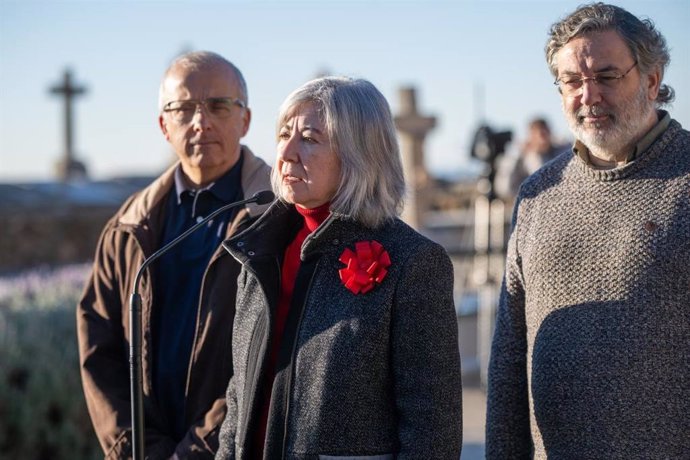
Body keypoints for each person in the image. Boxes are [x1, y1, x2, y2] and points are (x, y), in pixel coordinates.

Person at [215, 76, 463, 459]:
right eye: (284, 134)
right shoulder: (258, 251)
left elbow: (432, 430)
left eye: (310, 139)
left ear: (359, 152)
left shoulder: (414, 263)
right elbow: (239, 391)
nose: (287, 153)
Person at [486, 3, 690, 458]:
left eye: (607, 76)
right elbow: (509, 356)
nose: (589, 95)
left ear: (652, 80)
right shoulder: (539, 194)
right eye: (573, 81)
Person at [77, 51, 271, 459]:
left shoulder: (274, 219)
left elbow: (273, 354)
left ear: (246, 120)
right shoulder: (128, 228)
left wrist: (195, 452)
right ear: (164, 126)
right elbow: (101, 349)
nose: (201, 122)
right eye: (183, 109)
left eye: (219, 105)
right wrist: (137, 448)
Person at [495, 117, 568, 200]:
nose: (541, 140)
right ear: (530, 136)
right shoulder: (520, 158)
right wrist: (523, 154)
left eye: (544, 134)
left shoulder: (560, 152)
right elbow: (504, 188)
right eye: (538, 135)